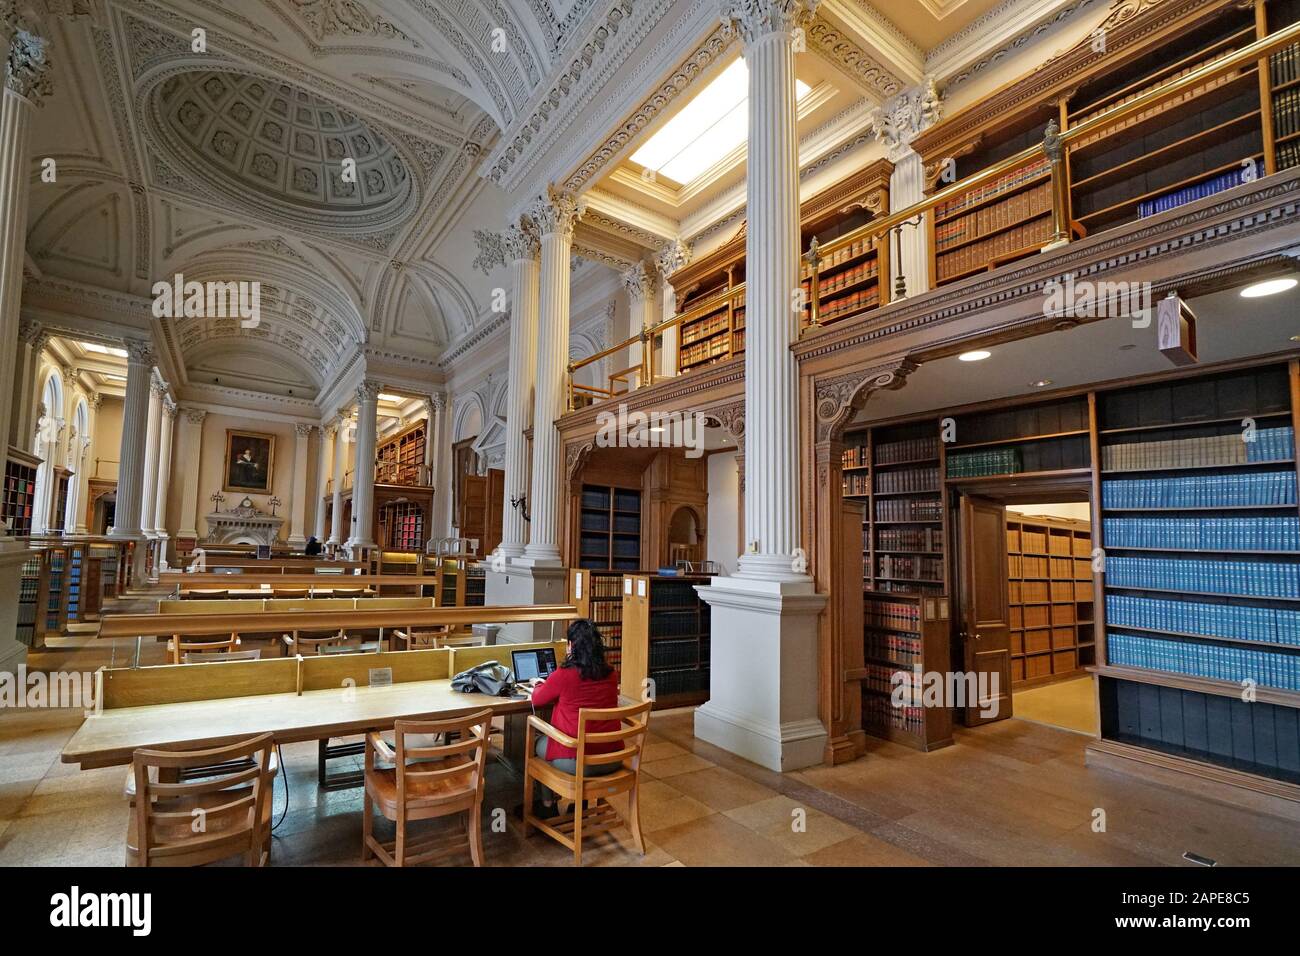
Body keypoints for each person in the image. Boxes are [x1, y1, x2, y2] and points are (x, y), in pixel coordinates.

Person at [528, 619, 622, 817]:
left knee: (537, 744)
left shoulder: (564, 675)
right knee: (590, 732)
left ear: (571, 646)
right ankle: (582, 806)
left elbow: (537, 699)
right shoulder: (611, 674)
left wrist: (538, 684)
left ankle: (547, 806)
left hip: (578, 761)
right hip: (613, 757)